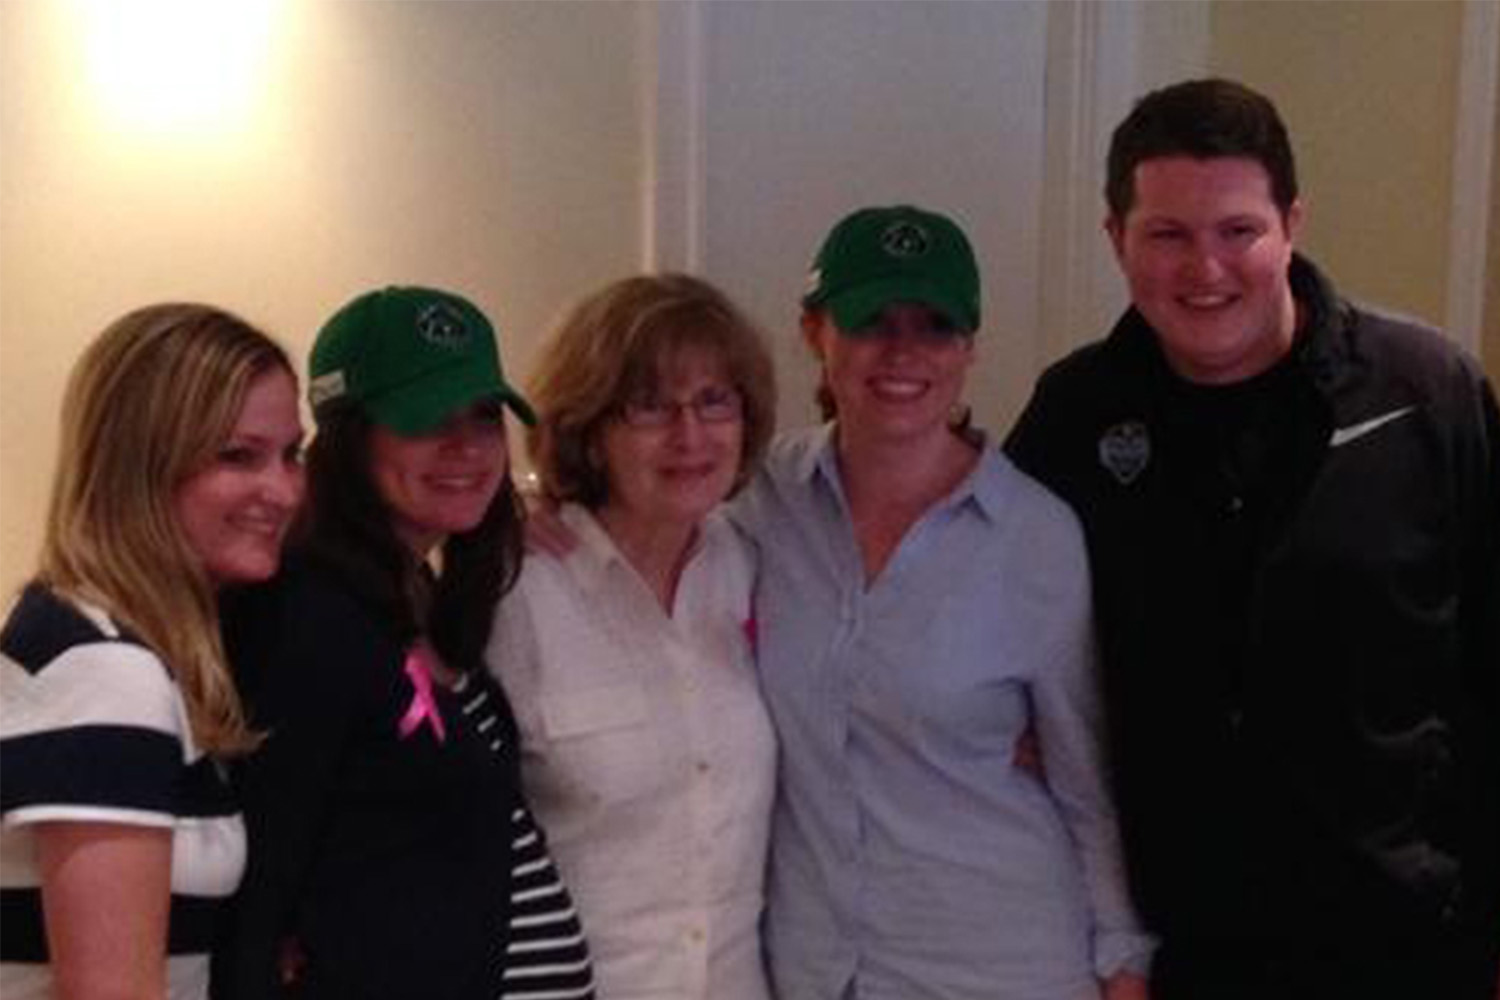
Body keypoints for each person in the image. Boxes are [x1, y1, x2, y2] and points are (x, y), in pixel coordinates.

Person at [1005, 78, 1500, 1000]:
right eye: (1168, 235)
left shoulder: (1427, 392)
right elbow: (1003, 654)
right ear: (1117, 239)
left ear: (1291, 224)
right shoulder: (1073, 416)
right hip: (1177, 954)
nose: (1206, 270)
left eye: (1238, 231)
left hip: (1406, 946)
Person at [737, 205, 1153, 1000]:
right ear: (815, 332)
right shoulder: (757, 504)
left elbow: (1084, 779)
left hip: (1000, 964)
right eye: (872, 324)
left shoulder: (1035, 534)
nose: (903, 353)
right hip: (814, 970)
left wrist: (1123, 964)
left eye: (935, 326)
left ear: (970, 347)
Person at [218, 286, 594, 1000]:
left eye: (485, 416)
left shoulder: (429, 600)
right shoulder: (306, 618)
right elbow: (261, 885)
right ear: (348, 437)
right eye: (427, 420)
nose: (468, 447)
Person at [487, 273, 779, 999]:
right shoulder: (512, 593)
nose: (689, 436)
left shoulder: (755, 566)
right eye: (649, 407)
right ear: (589, 427)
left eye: (715, 401)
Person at [0, 304, 304, 999]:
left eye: (293, 454)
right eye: (238, 456)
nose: (283, 490)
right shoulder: (107, 670)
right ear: (138, 463)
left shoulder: (107, 640)